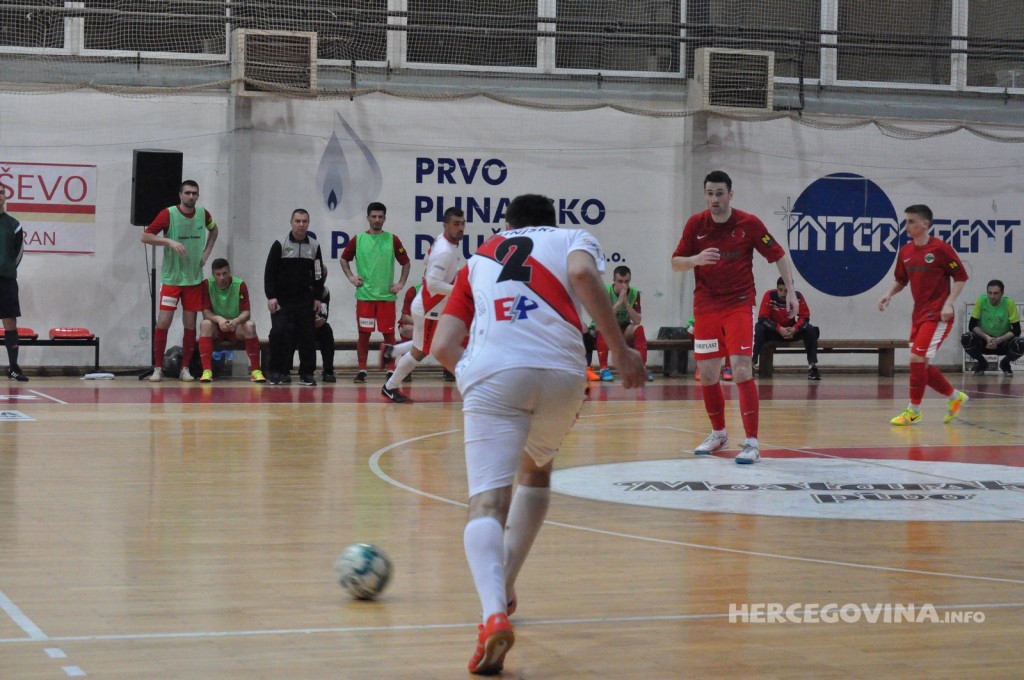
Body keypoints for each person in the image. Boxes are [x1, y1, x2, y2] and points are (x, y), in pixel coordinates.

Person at [431, 194, 646, 675]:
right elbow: (585, 275)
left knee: (486, 501)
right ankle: (505, 585)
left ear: (507, 225)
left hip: (492, 374)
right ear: (553, 221)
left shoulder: (479, 257)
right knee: (537, 469)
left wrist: (470, 375)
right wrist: (619, 350)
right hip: (562, 375)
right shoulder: (574, 237)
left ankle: (491, 615)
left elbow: (442, 345)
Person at [671, 170, 797, 464]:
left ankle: (752, 442)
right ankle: (719, 434)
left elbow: (778, 255)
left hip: (740, 304)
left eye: (719, 193)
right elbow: (676, 262)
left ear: (730, 194)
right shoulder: (695, 225)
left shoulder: (748, 224)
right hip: (706, 307)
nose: (714, 199)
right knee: (709, 375)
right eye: (710, 193)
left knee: (741, 368)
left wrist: (790, 292)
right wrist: (695, 260)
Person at [878, 204, 969, 425]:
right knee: (922, 365)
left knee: (916, 359)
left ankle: (914, 411)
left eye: (911, 221)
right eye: (906, 221)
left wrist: (948, 304)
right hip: (918, 315)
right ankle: (955, 397)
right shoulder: (906, 252)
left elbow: (961, 277)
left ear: (924, 224)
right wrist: (888, 294)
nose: (906, 225)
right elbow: (901, 280)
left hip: (938, 315)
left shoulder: (941, 249)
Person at [380, 207, 466, 402]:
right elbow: (434, 283)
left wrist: (455, 274)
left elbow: (428, 261)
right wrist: (459, 287)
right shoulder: (445, 251)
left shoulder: (442, 241)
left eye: (462, 224)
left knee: (429, 342)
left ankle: (392, 350)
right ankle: (390, 386)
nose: (460, 228)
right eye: (456, 224)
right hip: (430, 310)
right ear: (446, 225)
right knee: (422, 350)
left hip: (429, 306)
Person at [141, 180, 218, 382]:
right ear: (180, 195)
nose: (191, 196)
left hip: (193, 279)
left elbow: (214, 230)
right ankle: (158, 367)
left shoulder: (203, 214)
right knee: (164, 321)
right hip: (172, 279)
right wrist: (169, 241)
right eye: (188, 193)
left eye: (195, 193)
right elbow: (146, 236)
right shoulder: (169, 214)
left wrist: (207, 252)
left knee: (190, 324)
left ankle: (185, 368)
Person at [339, 202, 411, 383]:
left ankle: (390, 370)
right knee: (364, 334)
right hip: (365, 297)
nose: (377, 220)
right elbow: (343, 259)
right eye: (374, 216)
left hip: (386, 297)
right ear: (368, 217)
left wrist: (401, 283)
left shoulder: (392, 239)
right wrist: (351, 277)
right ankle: (362, 370)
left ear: (385, 218)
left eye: (380, 217)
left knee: (389, 335)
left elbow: (406, 262)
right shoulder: (358, 239)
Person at [264, 209, 326, 386]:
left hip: (305, 300)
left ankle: (306, 374)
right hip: (282, 300)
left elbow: (318, 273)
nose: (301, 224)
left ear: (308, 223)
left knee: (307, 336)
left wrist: (317, 297)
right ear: (291, 222)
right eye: (298, 221)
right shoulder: (280, 244)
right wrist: (271, 296)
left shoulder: (314, 246)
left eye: (304, 221)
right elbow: (270, 272)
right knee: (279, 333)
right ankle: (277, 371)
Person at [196, 258, 266, 383]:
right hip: (217, 328)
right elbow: (206, 313)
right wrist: (219, 319)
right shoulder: (206, 285)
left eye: (225, 273)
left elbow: (246, 313)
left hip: (235, 327)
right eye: (218, 274)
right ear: (213, 274)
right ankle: (207, 371)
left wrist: (236, 321)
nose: (222, 277)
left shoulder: (240, 285)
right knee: (205, 324)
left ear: (229, 272)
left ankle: (256, 370)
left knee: (250, 325)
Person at [754, 277, 822, 380]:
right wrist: (779, 328)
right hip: (774, 332)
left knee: (811, 330)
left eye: (786, 291)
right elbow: (763, 318)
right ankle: (751, 364)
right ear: (777, 288)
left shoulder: (797, 297)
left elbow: (805, 317)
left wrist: (795, 329)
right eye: (780, 290)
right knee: (759, 328)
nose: (783, 294)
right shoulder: (769, 295)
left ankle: (813, 367)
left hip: (791, 332)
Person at [594, 265, 654, 382]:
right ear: (614, 281)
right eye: (620, 281)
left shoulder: (634, 293)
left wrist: (626, 303)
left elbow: (637, 320)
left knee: (638, 328)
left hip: (624, 327)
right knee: (602, 328)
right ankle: (604, 369)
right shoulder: (605, 291)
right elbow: (602, 319)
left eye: (626, 281)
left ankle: (641, 368)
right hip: (608, 327)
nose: (624, 285)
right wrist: (618, 303)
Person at [961, 279, 1023, 376]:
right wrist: (987, 337)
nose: (992, 296)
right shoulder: (981, 300)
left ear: (1002, 293)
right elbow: (972, 326)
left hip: (1002, 342)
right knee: (966, 338)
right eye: (989, 293)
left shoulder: (1009, 303)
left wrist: (999, 339)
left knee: (1021, 344)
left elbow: (1017, 330)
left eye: (996, 293)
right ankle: (982, 363)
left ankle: (1005, 363)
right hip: (984, 341)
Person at [0, 189, 28, 381]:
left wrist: (7, 269)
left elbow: (18, 253)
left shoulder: (14, 225)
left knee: (10, 322)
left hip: (6, 280)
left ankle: (13, 368)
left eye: (1, 192)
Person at [314, 285, 336, 383]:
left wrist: (321, 320)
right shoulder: (302, 287)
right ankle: (306, 372)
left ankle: (328, 371)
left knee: (327, 330)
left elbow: (324, 310)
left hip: (317, 324)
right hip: (302, 324)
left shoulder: (325, 291)